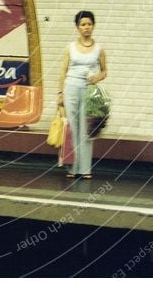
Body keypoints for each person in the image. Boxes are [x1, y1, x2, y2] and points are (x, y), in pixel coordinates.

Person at [57, 11, 107, 179]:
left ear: (93, 25)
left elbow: (105, 71)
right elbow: (63, 71)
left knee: (86, 128)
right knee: (72, 127)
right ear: (77, 27)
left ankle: (85, 169)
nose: (86, 27)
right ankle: (72, 168)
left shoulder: (99, 48)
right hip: (71, 87)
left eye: (89, 24)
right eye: (83, 25)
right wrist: (60, 94)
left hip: (89, 91)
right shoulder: (69, 47)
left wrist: (97, 77)